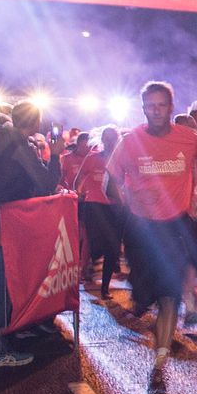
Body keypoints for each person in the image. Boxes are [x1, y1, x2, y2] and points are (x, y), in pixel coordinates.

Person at [105, 82, 197, 394]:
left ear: (171, 106)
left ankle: (159, 364)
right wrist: (126, 209)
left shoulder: (188, 138)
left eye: (161, 105)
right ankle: (145, 302)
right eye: (150, 105)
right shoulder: (130, 141)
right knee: (144, 296)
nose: (155, 110)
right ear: (143, 108)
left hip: (175, 226)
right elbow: (111, 181)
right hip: (142, 230)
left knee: (169, 296)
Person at [77, 126, 123, 298]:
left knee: (112, 248)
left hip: (115, 207)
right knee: (94, 244)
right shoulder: (92, 157)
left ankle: (104, 287)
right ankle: (88, 267)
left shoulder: (122, 159)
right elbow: (79, 178)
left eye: (113, 138)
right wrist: (80, 193)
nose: (110, 141)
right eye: (107, 138)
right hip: (94, 206)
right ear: (102, 140)